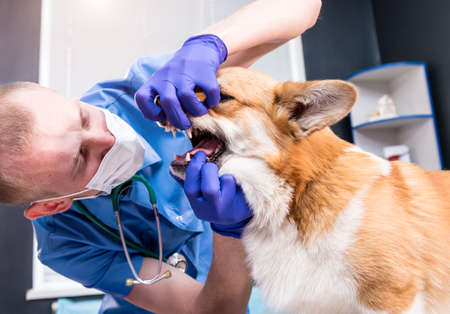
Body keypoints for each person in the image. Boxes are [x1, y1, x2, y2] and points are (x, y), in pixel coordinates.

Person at [0, 0, 321, 313]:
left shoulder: (149, 90)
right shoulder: (67, 244)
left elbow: (303, 7)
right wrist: (230, 230)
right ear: (54, 204)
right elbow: (213, 310)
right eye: (81, 158)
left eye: (83, 118)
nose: (107, 137)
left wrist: (210, 44)